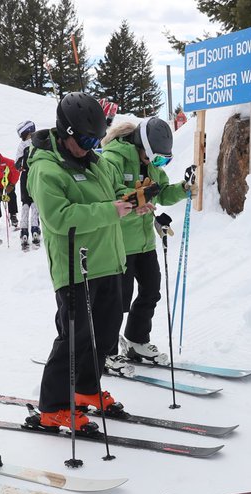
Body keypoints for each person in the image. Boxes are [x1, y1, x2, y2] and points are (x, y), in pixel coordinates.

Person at [24, 91, 135, 431]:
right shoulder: (46, 169)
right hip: (77, 268)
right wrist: (110, 211)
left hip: (108, 261)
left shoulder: (94, 161)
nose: (91, 146)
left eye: (96, 139)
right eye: (86, 139)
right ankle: (53, 405)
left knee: (103, 335)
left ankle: (86, 389)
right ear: (66, 132)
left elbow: (109, 198)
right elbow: (59, 217)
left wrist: (131, 203)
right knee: (73, 337)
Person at [99, 117, 193, 367]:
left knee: (151, 290)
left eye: (165, 161)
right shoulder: (113, 159)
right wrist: (135, 200)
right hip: (120, 242)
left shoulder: (149, 166)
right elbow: (110, 192)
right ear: (143, 147)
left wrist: (184, 187)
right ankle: (105, 351)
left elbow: (162, 192)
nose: (158, 164)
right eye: (158, 159)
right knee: (118, 302)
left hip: (144, 242)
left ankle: (135, 341)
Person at [13, 120, 42, 251]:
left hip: (25, 176)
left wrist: (22, 165)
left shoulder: (22, 145)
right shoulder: (38, 142)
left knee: (25, 203)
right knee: (35, 202)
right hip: (35, 174)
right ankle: (35, 229)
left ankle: (24, 231)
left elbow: (17, 164)